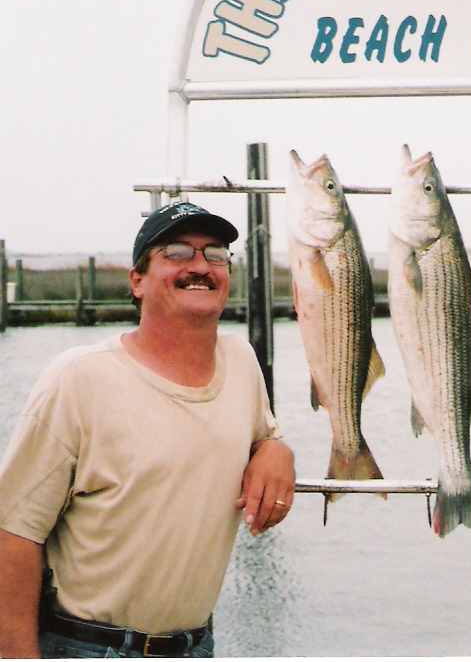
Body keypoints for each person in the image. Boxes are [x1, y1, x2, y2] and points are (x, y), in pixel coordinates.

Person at [0, 202, 296, 658]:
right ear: (137, 280)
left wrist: (277, 450)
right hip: (86, 646)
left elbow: (260, 433)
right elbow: (13, 535)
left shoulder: (241, 362)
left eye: (216, 254)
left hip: (195, 645)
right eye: (177, 252)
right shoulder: (78, 379)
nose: (201, 266)